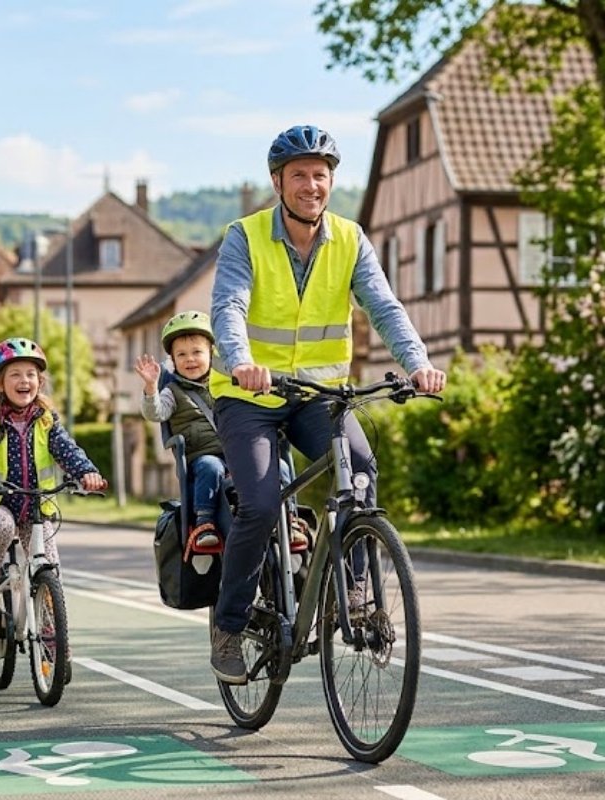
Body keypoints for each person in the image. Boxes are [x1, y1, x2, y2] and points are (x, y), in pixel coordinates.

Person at [208, 124, 447, 684]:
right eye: (299, 176)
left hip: (320, 394)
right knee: (262, 502)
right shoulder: (243, 236)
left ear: (331, 181)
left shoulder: (349, 237)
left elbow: (384, 306)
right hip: (251, 395)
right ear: (278, 183)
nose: (311, 185)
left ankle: (359, 597)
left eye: (320, 175)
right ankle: (230, 623)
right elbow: (229, 305)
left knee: (360, 470)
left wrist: (417, 362)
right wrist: (241, 357)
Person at [135, 311, 310, 556]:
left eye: (197, 352)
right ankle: (204, 523)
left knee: (279, 466)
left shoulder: (229, 383)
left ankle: (290, 519)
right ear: (173, 361)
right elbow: (155, 413)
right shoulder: (172, 390)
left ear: (212, 354)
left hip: (243, 451)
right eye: (182, 355)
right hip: (205, 455)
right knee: (210, 467)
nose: (190, 360)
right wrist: (152, 387)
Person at [0, 337, 107, 616]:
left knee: (50, 567)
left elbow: (67, 450)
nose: (24, 380)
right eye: (15, 374)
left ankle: (53, 639)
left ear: (40, 381)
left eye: (31, 374)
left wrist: (87, 473)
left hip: (37, 506)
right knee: (2, 528)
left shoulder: (47, 421)